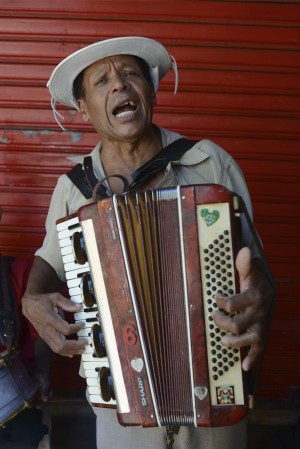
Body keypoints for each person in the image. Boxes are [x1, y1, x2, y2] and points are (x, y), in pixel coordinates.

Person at [22, 36, 274, 449]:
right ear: (83, 109)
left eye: (130, 74)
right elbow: (46, 267)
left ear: (151, 90)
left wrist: (261, 294)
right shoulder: (74, 189)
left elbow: (258, 270)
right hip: (120, 395)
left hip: (214, 383)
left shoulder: (210, 163)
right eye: (101, 81)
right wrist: (31, 300)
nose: (119, 85)